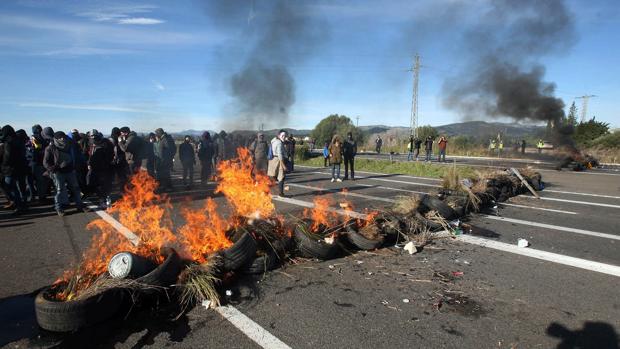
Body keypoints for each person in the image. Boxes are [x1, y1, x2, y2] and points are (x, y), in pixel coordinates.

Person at [44, 131, 85, 216]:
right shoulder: (51, 148)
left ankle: (80, 206)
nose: (62, 139)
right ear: (56, 139)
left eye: (63, 137)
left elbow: (76, 155)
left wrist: (76, 166)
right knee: (59, 191)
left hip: (70, 171)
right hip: (58, 172)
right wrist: (55, 168)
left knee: (76, 189)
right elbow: (46, 162)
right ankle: (59, 208)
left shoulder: (70, 145)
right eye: (60, 138)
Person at [1, 125, 28, 214]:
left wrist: (3, 164)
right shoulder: (19, 140)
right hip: (21, 166)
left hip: (10, 169)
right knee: (21, 186)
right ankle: (23, 204)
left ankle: (18, 205)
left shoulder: (8, 142)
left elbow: (7, 157)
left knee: (10, 187)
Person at [87, 130, 114, 208]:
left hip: (104, 168)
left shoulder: (106, 143)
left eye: (93, 136)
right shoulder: (92, 143)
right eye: (91, 137)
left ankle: (104, 200)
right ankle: (101, 198)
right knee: (93, 183)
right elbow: (91, 155)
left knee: (104, 185)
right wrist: (89, 163)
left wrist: (105, 164)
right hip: (94, 168)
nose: (92, 138)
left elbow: (110, 155)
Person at [30, 124, 51, 204]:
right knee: (41, 181)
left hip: (36, 162)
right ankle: (41, 198)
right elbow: (38, 149)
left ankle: (40, 197)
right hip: (39, 162)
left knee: (40, 181)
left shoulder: (34, 138)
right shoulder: (36, 138)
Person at [268, 130, 288, 197]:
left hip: (272, 160)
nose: (284, 137)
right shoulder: (279, 143)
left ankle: (265, 191)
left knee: (272, 176)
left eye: (285, 136)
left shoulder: (273, 141)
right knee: (281, 177)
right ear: (279, 135)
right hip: (278, 160)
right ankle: (281, 193)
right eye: (282, 136)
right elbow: (280, 154)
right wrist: (283, 165)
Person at [110, 127, 128, 191]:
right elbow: (120, 149)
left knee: (113, 177)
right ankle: (123, 189)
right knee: (121, 176)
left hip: (113, 160)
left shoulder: (110, 139)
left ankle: (117, 189)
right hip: (120, 160)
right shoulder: (118, 139)